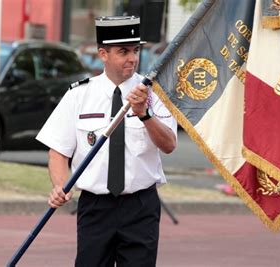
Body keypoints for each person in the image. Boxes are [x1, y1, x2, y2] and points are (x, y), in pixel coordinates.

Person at [36, 16, 177, 266]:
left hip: (140, 206)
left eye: (135, 50)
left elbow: (168, 145)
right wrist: (60, 185)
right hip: (96, 206)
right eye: (123, 51)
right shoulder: (79, 95)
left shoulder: (154, 94)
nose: (132, 58)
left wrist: (145, 114)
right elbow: (58, 151)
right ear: (103, 54)